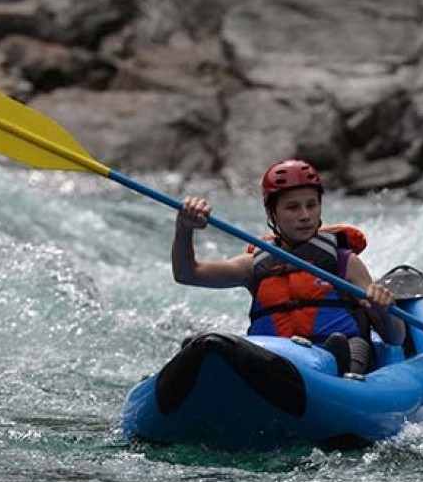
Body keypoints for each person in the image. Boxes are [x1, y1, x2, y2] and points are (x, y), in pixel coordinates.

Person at [171, 158, 405, 376]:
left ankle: (336, 364)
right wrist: (184, 228)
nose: (305, 216)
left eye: (311, 205)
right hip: (275, 362)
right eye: (293, 207)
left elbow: (394, 337)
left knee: (352, 348)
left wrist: (383, 310)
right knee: (204, 345)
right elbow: (186, 273)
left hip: (337, 365)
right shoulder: (256, 266)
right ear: (272, 213)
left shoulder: (344, 262)